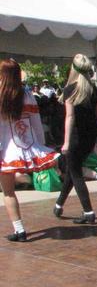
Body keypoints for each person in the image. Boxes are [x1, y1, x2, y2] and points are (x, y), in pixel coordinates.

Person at [0, 59, 59, 241]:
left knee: (8, 192)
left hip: (6, 150)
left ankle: (20, 230)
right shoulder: (27, 94)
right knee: (9, 190)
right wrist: (40, 147)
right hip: (26, 146)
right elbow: (36, 123)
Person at [53, 54, 97, 224]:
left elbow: (69, 117)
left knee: (75, 173)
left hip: (75, 138)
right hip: (89, 138)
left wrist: (66, 142)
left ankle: (88, 212)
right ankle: (59, 204)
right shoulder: (92, 90)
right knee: (72, 170)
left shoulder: (70, 89)